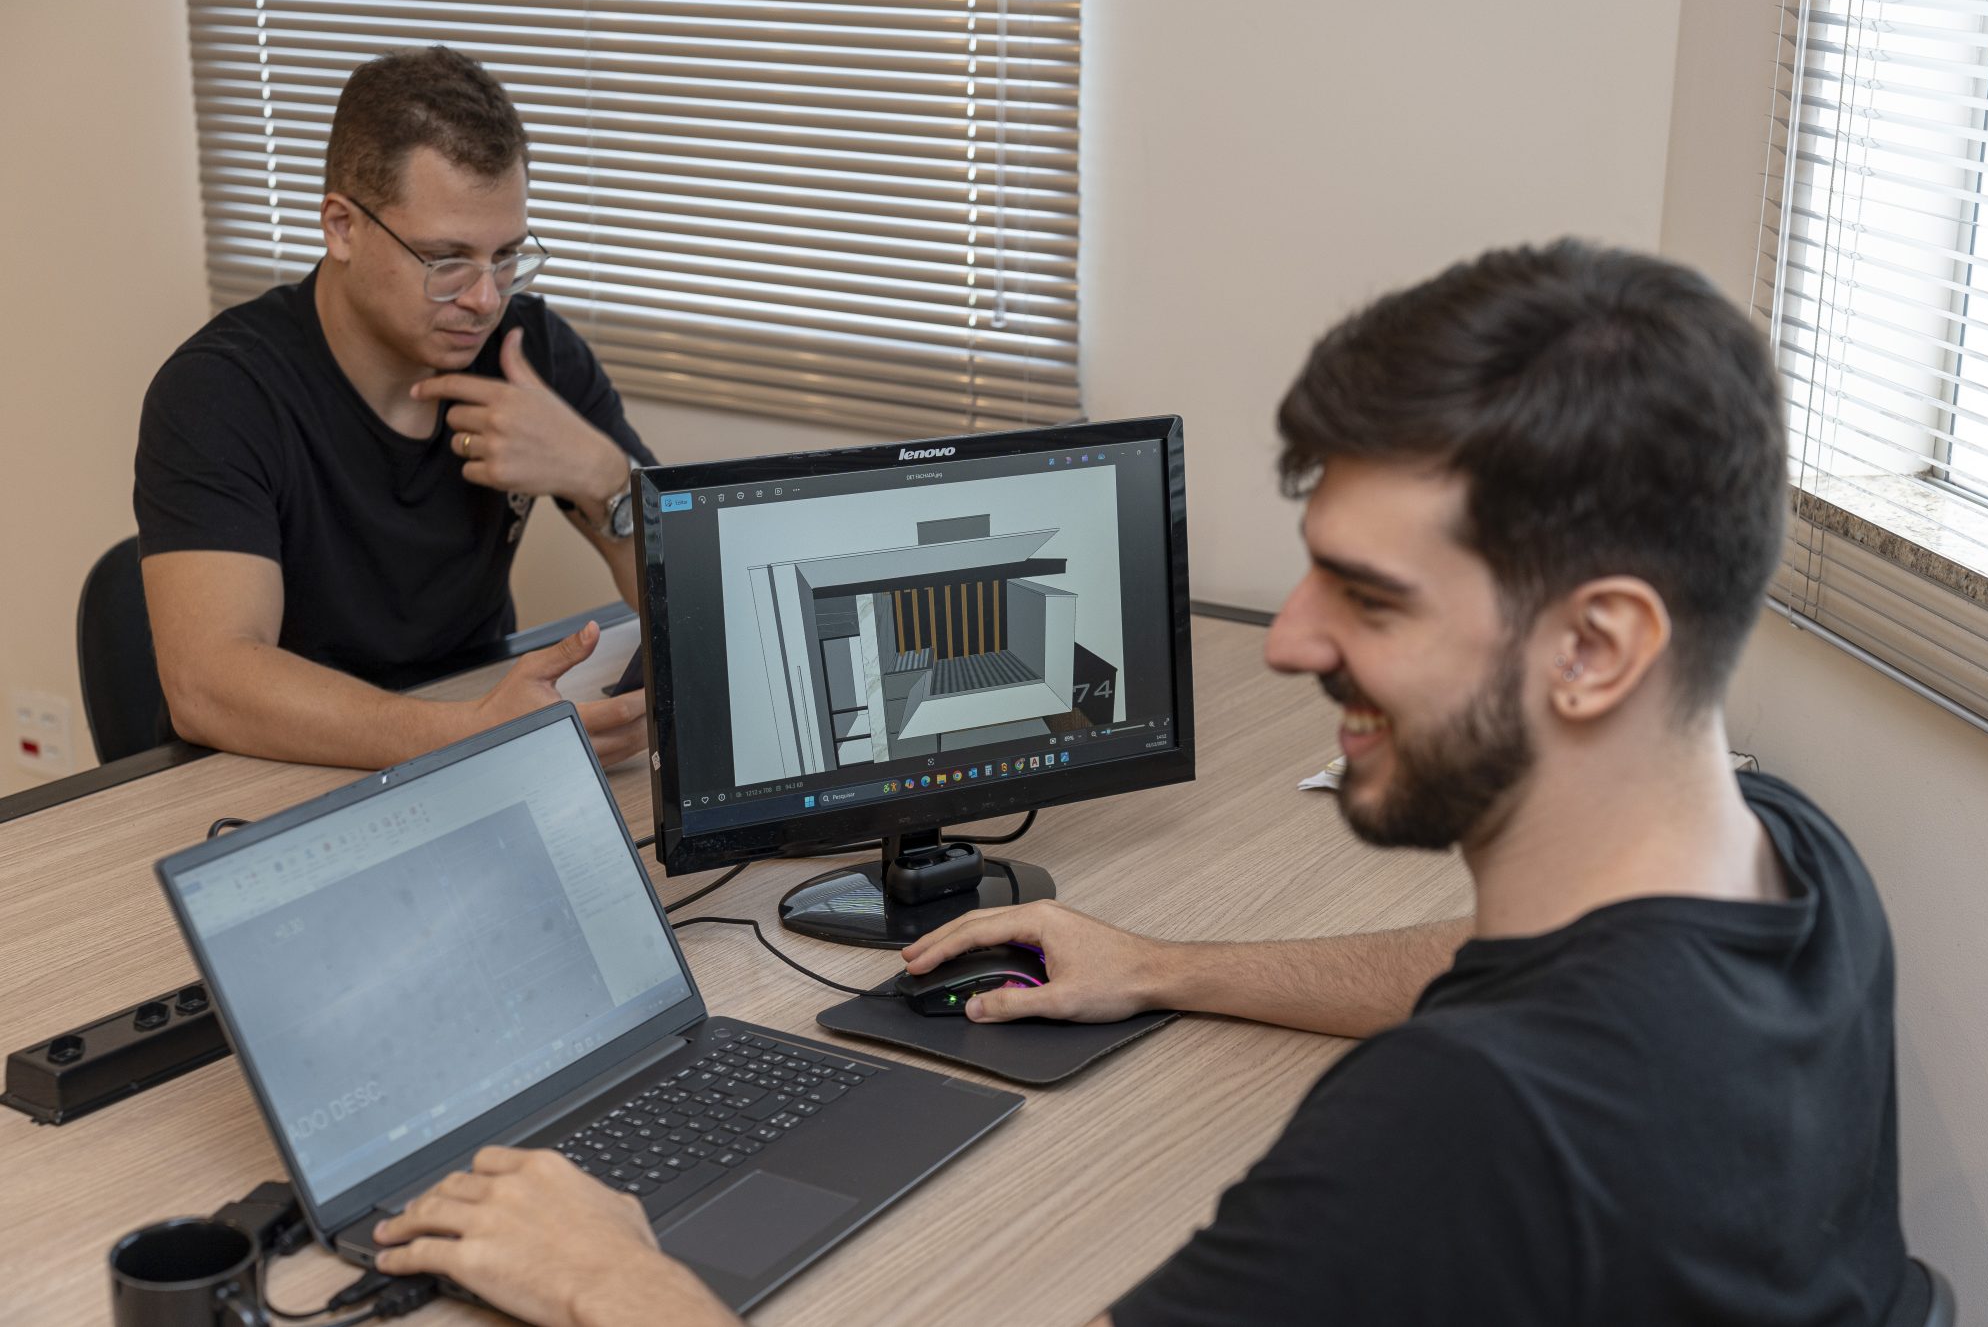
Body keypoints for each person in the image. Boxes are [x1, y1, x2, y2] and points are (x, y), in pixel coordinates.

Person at [369, 241, 1908, 1326]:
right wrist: (1166, 965)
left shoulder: (1454, 1126)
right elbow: (1499, 966)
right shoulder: (1786, 862)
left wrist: (616, 1282)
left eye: (1371, 598)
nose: (1289, 640)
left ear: (1598, 646)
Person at [135, 46, 652, 769]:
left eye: (506, 256)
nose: (486, 298)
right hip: (268, 765)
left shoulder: (530, 352)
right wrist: (468, 736)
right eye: (447, 260)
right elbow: (209, 684)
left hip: (463, 726)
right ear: (342, 227)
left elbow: (697, 592)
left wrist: (602, 477)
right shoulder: (220, 391)